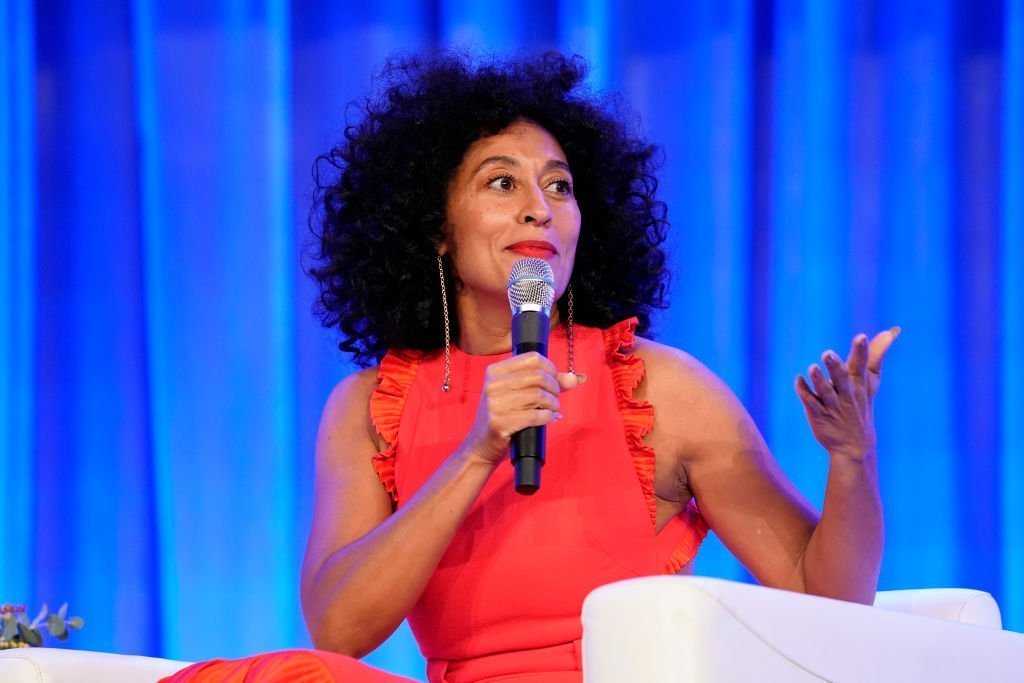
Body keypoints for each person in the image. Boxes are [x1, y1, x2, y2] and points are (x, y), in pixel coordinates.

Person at [166, 52, 897, 683]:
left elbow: (826, 598)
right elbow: (339, 626)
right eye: (501, 183)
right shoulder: (368, 406)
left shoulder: (661, 388)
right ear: (435, 230)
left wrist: (852, 458)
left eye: (559, 186)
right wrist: (479, 447)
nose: (538, 210)